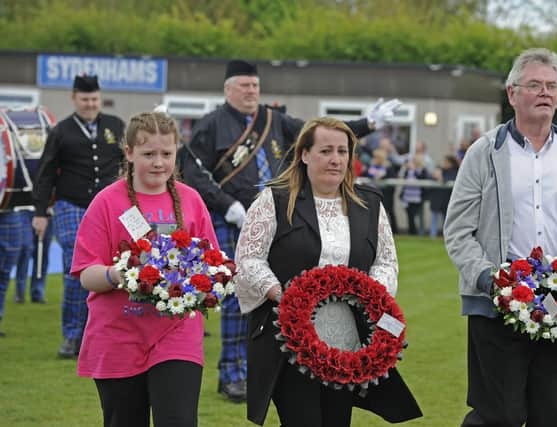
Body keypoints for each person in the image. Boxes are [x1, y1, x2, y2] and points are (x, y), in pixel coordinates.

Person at [180, 59, 401, 402]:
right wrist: (225, 206)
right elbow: (194, 172)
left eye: (255, 85)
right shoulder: (211, 125)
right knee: (241, 296)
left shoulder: (274, 119)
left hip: (286, 211)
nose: (252, 91)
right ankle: (232, 372)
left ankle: (265, 369)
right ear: (228, 90)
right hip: (232, 214)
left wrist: (367, 123)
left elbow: (321, 134)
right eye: (244, 86)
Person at [444, 48, 557, 427]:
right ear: (512, 93)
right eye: (534, 85)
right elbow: (457, 230)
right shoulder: (484, 153)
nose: (545, 93)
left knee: (550, 413)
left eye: (552, 86)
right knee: (498, 415)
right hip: (498, 302)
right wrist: (490, 280)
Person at [234, 117, 422, 426]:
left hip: (346, 343)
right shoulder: (275, 200)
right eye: (325, 151)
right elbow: (249, 258)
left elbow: (386, 262)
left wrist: (373, 297)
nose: (335, 159)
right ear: (305, 155)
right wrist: (287, 298)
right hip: (288, 339)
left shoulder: (369, 204)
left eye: (342, 151)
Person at [70, 111, 218, 427]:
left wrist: (201, 283)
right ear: (128, 153)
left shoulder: (191, 200)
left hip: (177, 334)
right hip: (119, 336)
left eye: (167, 154)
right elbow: (86, 274)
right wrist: (120, 275)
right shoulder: (106, 202)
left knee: (178, 420)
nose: (158, 162)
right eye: (148, 154)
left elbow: (212, 264)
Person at [32, 75, 126, 358]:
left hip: (109, 206)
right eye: (85, 100)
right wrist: (39, 212)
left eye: (95, 99)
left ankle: (102, 333)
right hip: (70, 205)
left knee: (117, 265)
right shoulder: (61, 131)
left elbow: (127, 164)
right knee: (78, 266)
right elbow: (46, 172)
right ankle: (72, 336)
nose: (90, 104)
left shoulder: (115, 125)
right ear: (74, 98)